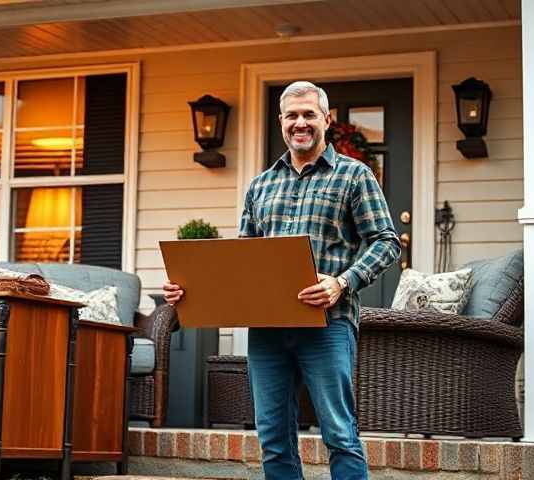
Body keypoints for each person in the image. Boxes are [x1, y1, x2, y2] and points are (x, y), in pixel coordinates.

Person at [163, 81, 400, 480]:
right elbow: (242, 261)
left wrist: (342, 282)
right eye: (292, 115)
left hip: (329, 324)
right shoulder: (260, 186)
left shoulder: (355, 176)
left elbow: (387, 242)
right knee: (273, 439)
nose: (300, 123)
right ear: (281, 122)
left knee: (339, 434)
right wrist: (192, 292)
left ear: (327, 119)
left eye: (309, 114)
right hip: (269, 330)